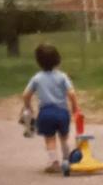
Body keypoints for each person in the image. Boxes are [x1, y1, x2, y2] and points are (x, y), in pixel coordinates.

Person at [22, 44, 79, 173]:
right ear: (58, 59)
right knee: (64, 137)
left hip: (45, 113)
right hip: (62, 112)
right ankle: (67, 159)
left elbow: (26, 95)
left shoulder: (37, 78)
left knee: (50, 138)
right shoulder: (62, 76)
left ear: (38, 62)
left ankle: (54, 163)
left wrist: (28, 107)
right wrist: (75, 107)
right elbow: (71, 93)